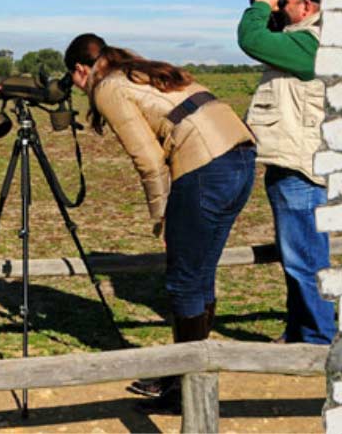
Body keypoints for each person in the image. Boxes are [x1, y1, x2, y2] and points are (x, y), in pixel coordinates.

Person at [65, 34, 256, 406]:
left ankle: (183, 385)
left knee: (184, 281)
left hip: (205, 166)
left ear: (80, 70)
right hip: (240, 158)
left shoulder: (108, 87)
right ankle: (187, 375)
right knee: (199, 274)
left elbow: (149, 161)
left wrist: (162, 218)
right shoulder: (140, 71)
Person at [237, 0, 336, 345]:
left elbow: (251, 38)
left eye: (287, 2)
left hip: (300, 171)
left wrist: (262, 5)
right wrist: (270, 6)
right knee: (297, 258)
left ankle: (318, 342)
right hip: (293, 165)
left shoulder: (313, 44)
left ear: (308, 6)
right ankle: (300, 332)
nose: (281, 8)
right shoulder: (303, 41)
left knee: (305, 261)